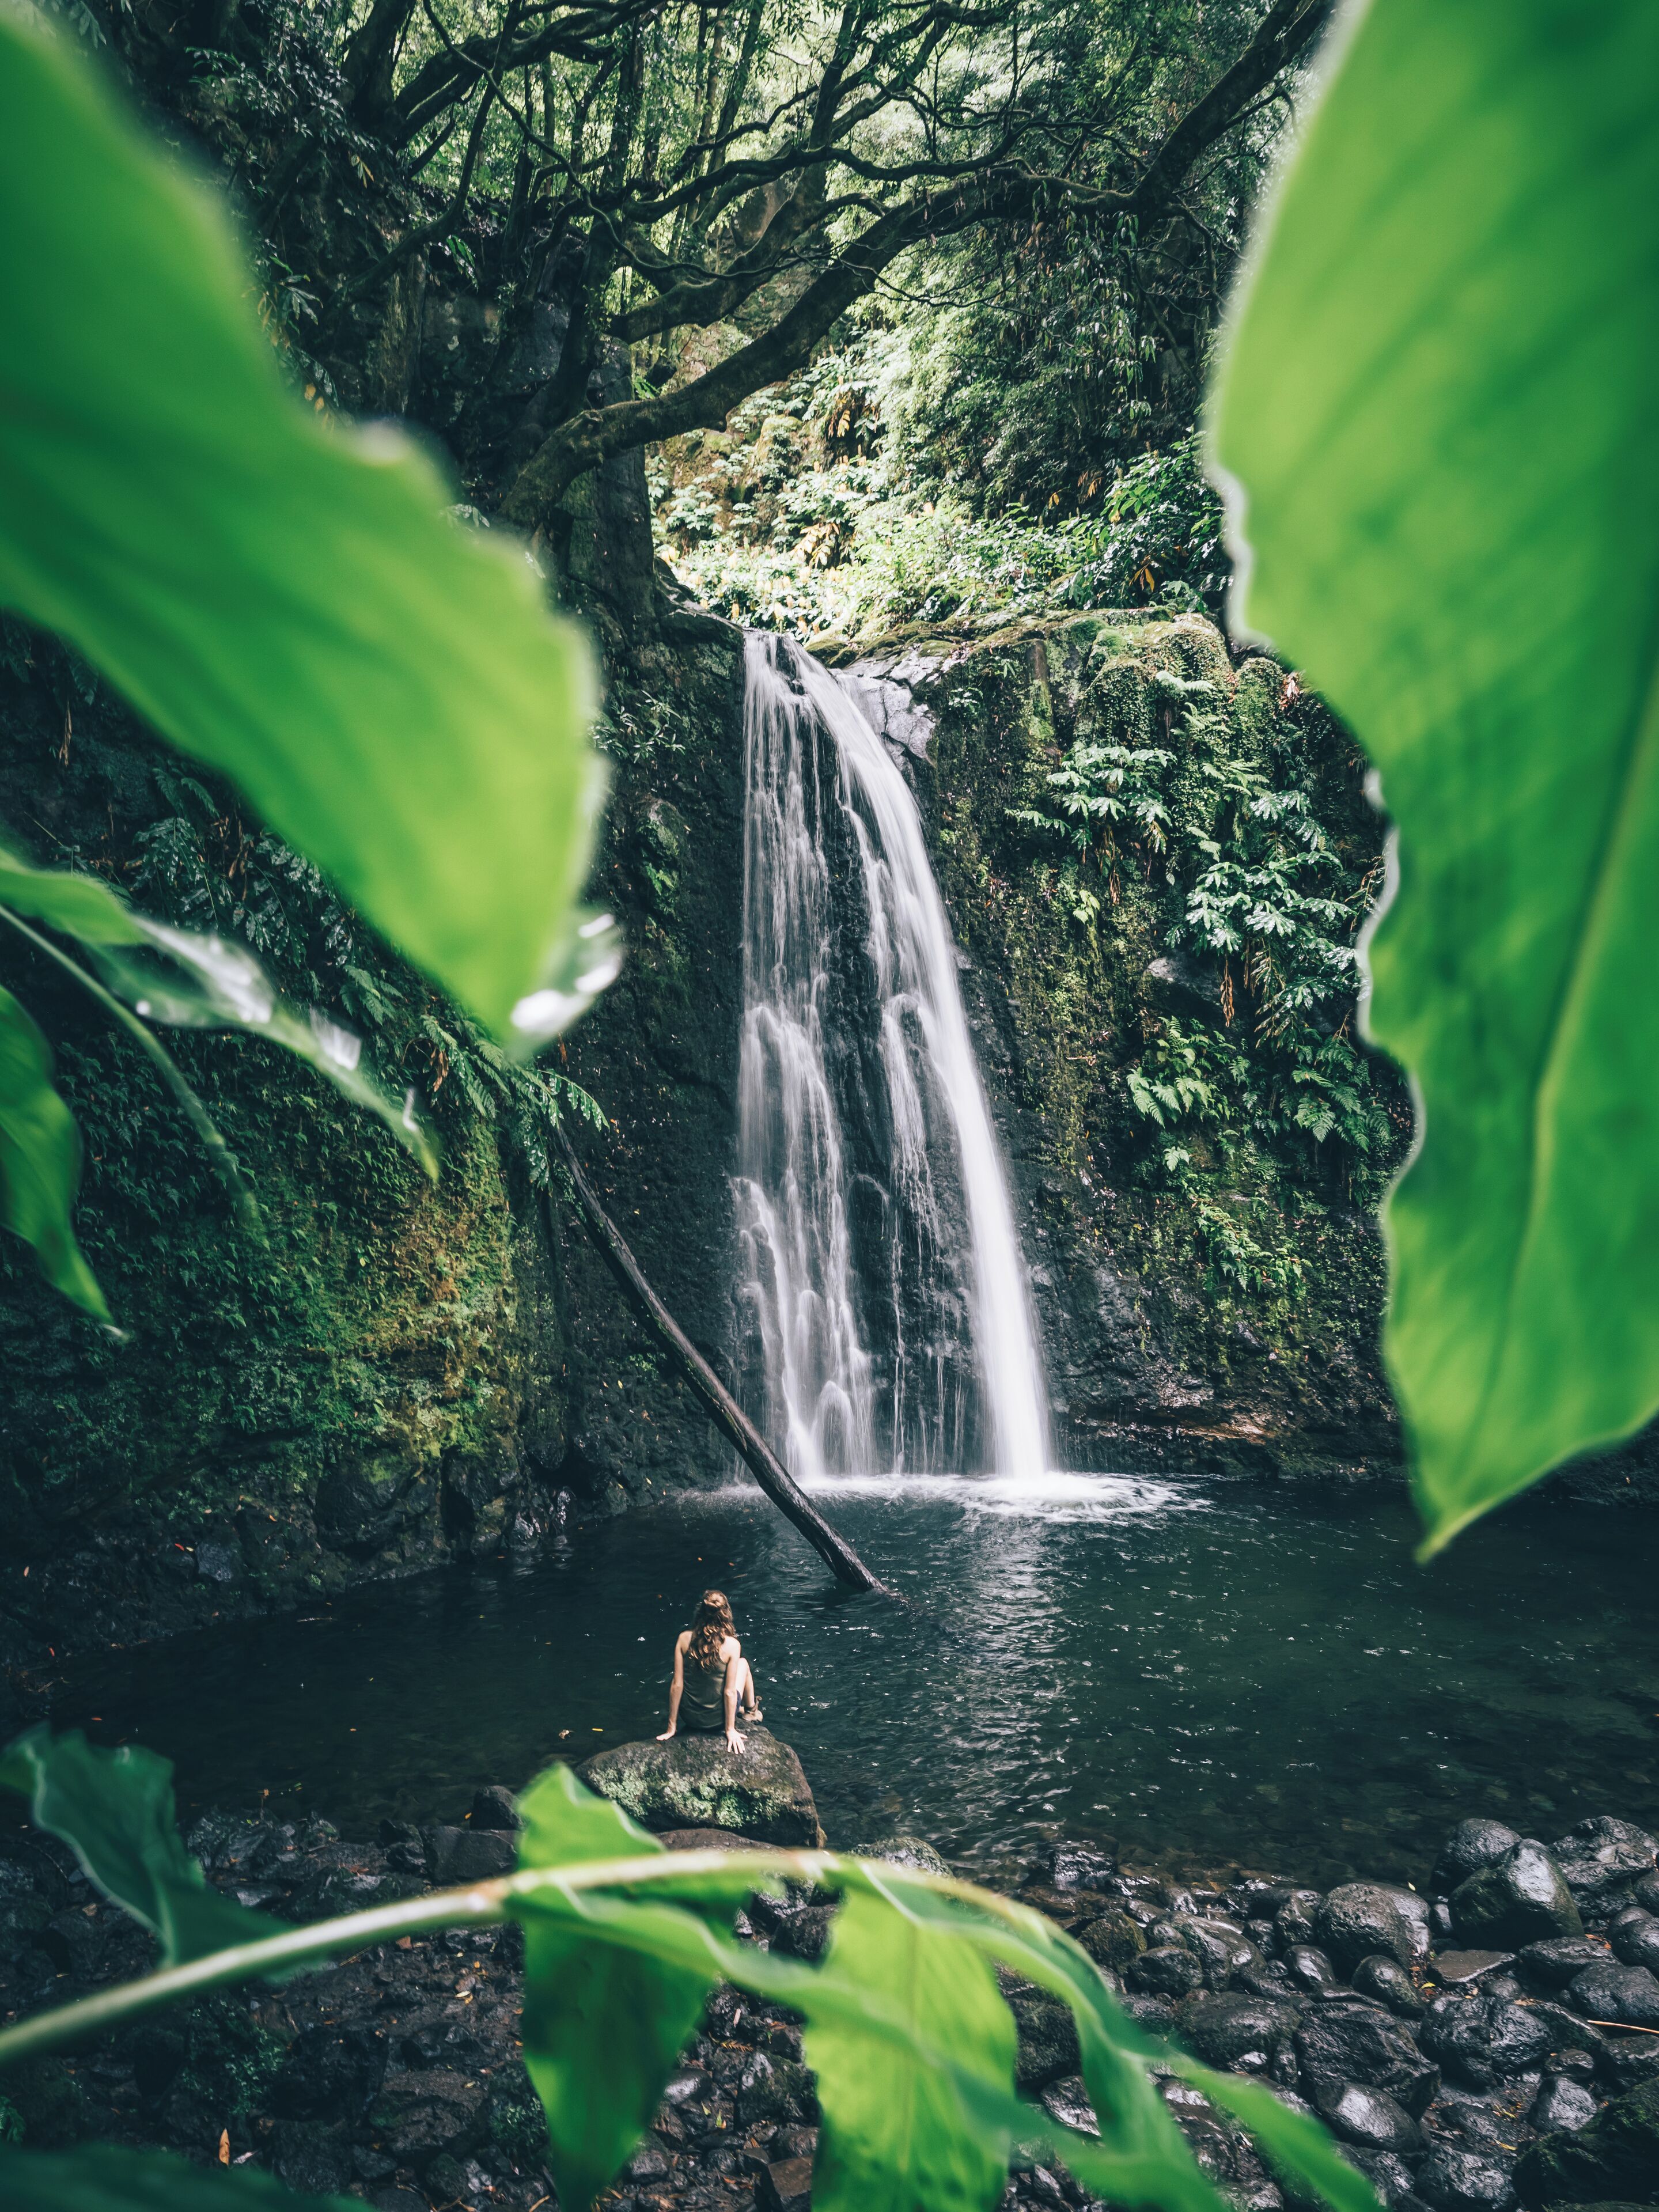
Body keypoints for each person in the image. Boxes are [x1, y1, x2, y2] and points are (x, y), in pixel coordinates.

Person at [658, 1589, 762, 1753]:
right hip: (717, 1722)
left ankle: (746, 1710)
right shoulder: (732, 1645)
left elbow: (677, 1685)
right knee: (743, 1664)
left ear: (701, 1611)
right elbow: (729, 1692)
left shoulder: (683, 1639)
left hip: (690, 1718)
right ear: (725, 1614)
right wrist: (730, 1730)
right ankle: (751, 1711)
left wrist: (671, 1728)